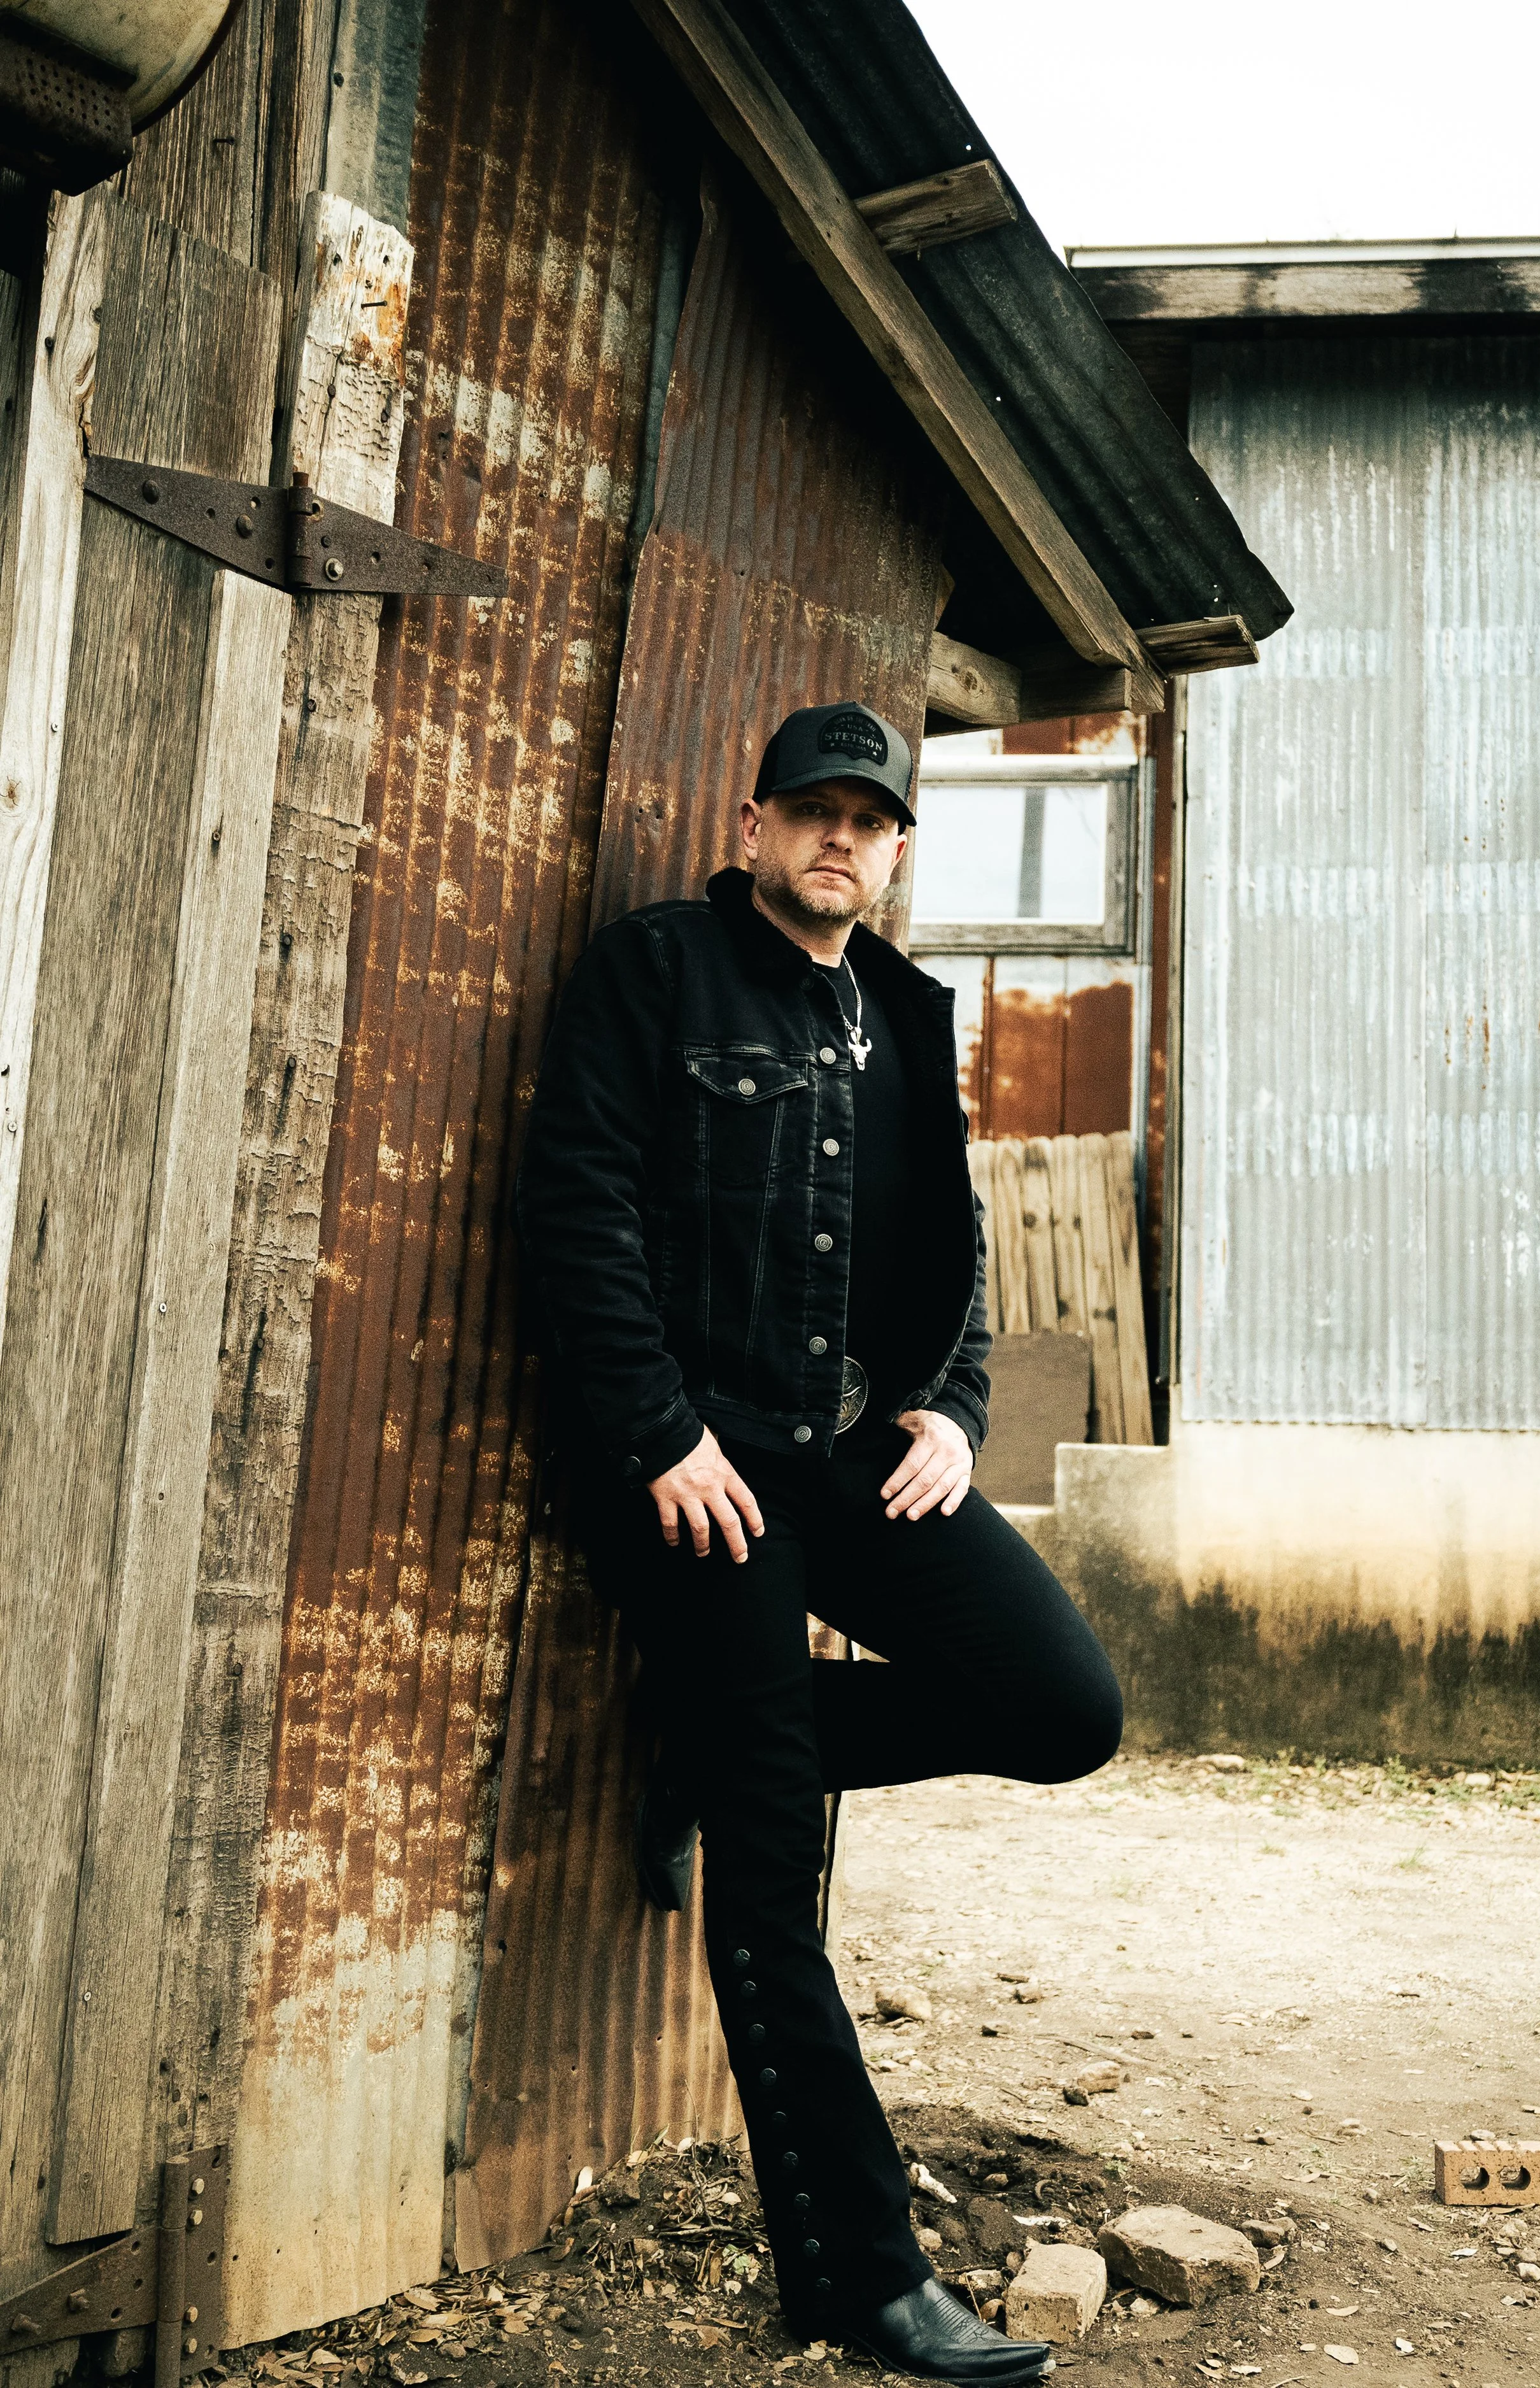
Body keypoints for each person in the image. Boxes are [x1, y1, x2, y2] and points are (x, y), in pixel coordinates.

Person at [518, 699, 1122, 2383]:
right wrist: (657, 1432)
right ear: (756, 821)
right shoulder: (654, 971)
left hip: (854, 1451)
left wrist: (947, 1406)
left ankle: (715, 1754)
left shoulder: (903, 1013)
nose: (838, 838)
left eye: (870, 817)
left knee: (1062, 1705)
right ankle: (861, 2277)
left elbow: (951, 1242)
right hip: (699, 1473)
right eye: (812, 811)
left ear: (898, 846)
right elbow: (574, 1210)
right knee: (773, 1882)